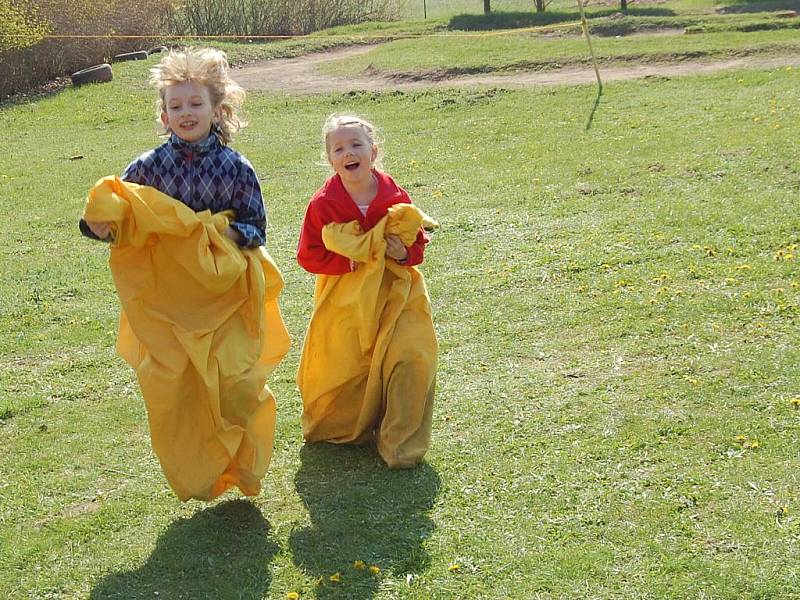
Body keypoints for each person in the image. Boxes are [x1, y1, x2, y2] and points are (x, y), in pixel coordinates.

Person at [79, 47, 290, 501]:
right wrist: (98, 226)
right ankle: (199, 475)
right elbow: (122, 222)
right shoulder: (146, 169)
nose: (186, 113)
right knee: (177, 393)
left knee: (235, 385)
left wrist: (215, 239)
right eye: (175, 106)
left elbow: (256, 226)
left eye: (196, 104)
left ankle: (243, 467)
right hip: (170, 306)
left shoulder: (236, 167)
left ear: (218, 109)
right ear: (164, 114)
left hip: (225, 298)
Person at [296, 114, 438, 468]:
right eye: (339, 148)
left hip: (396, 293)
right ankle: (346, 425)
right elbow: (308, 254)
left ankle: (400, 442)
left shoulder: (393, 195)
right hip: (346, 298)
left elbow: (416, 245)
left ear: (373, 152)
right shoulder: (323, 203)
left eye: (356, 145)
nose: (348, 153)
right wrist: (350, 261)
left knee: (410, 355)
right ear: (330, 160)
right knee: (347, 366)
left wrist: (401, 253)